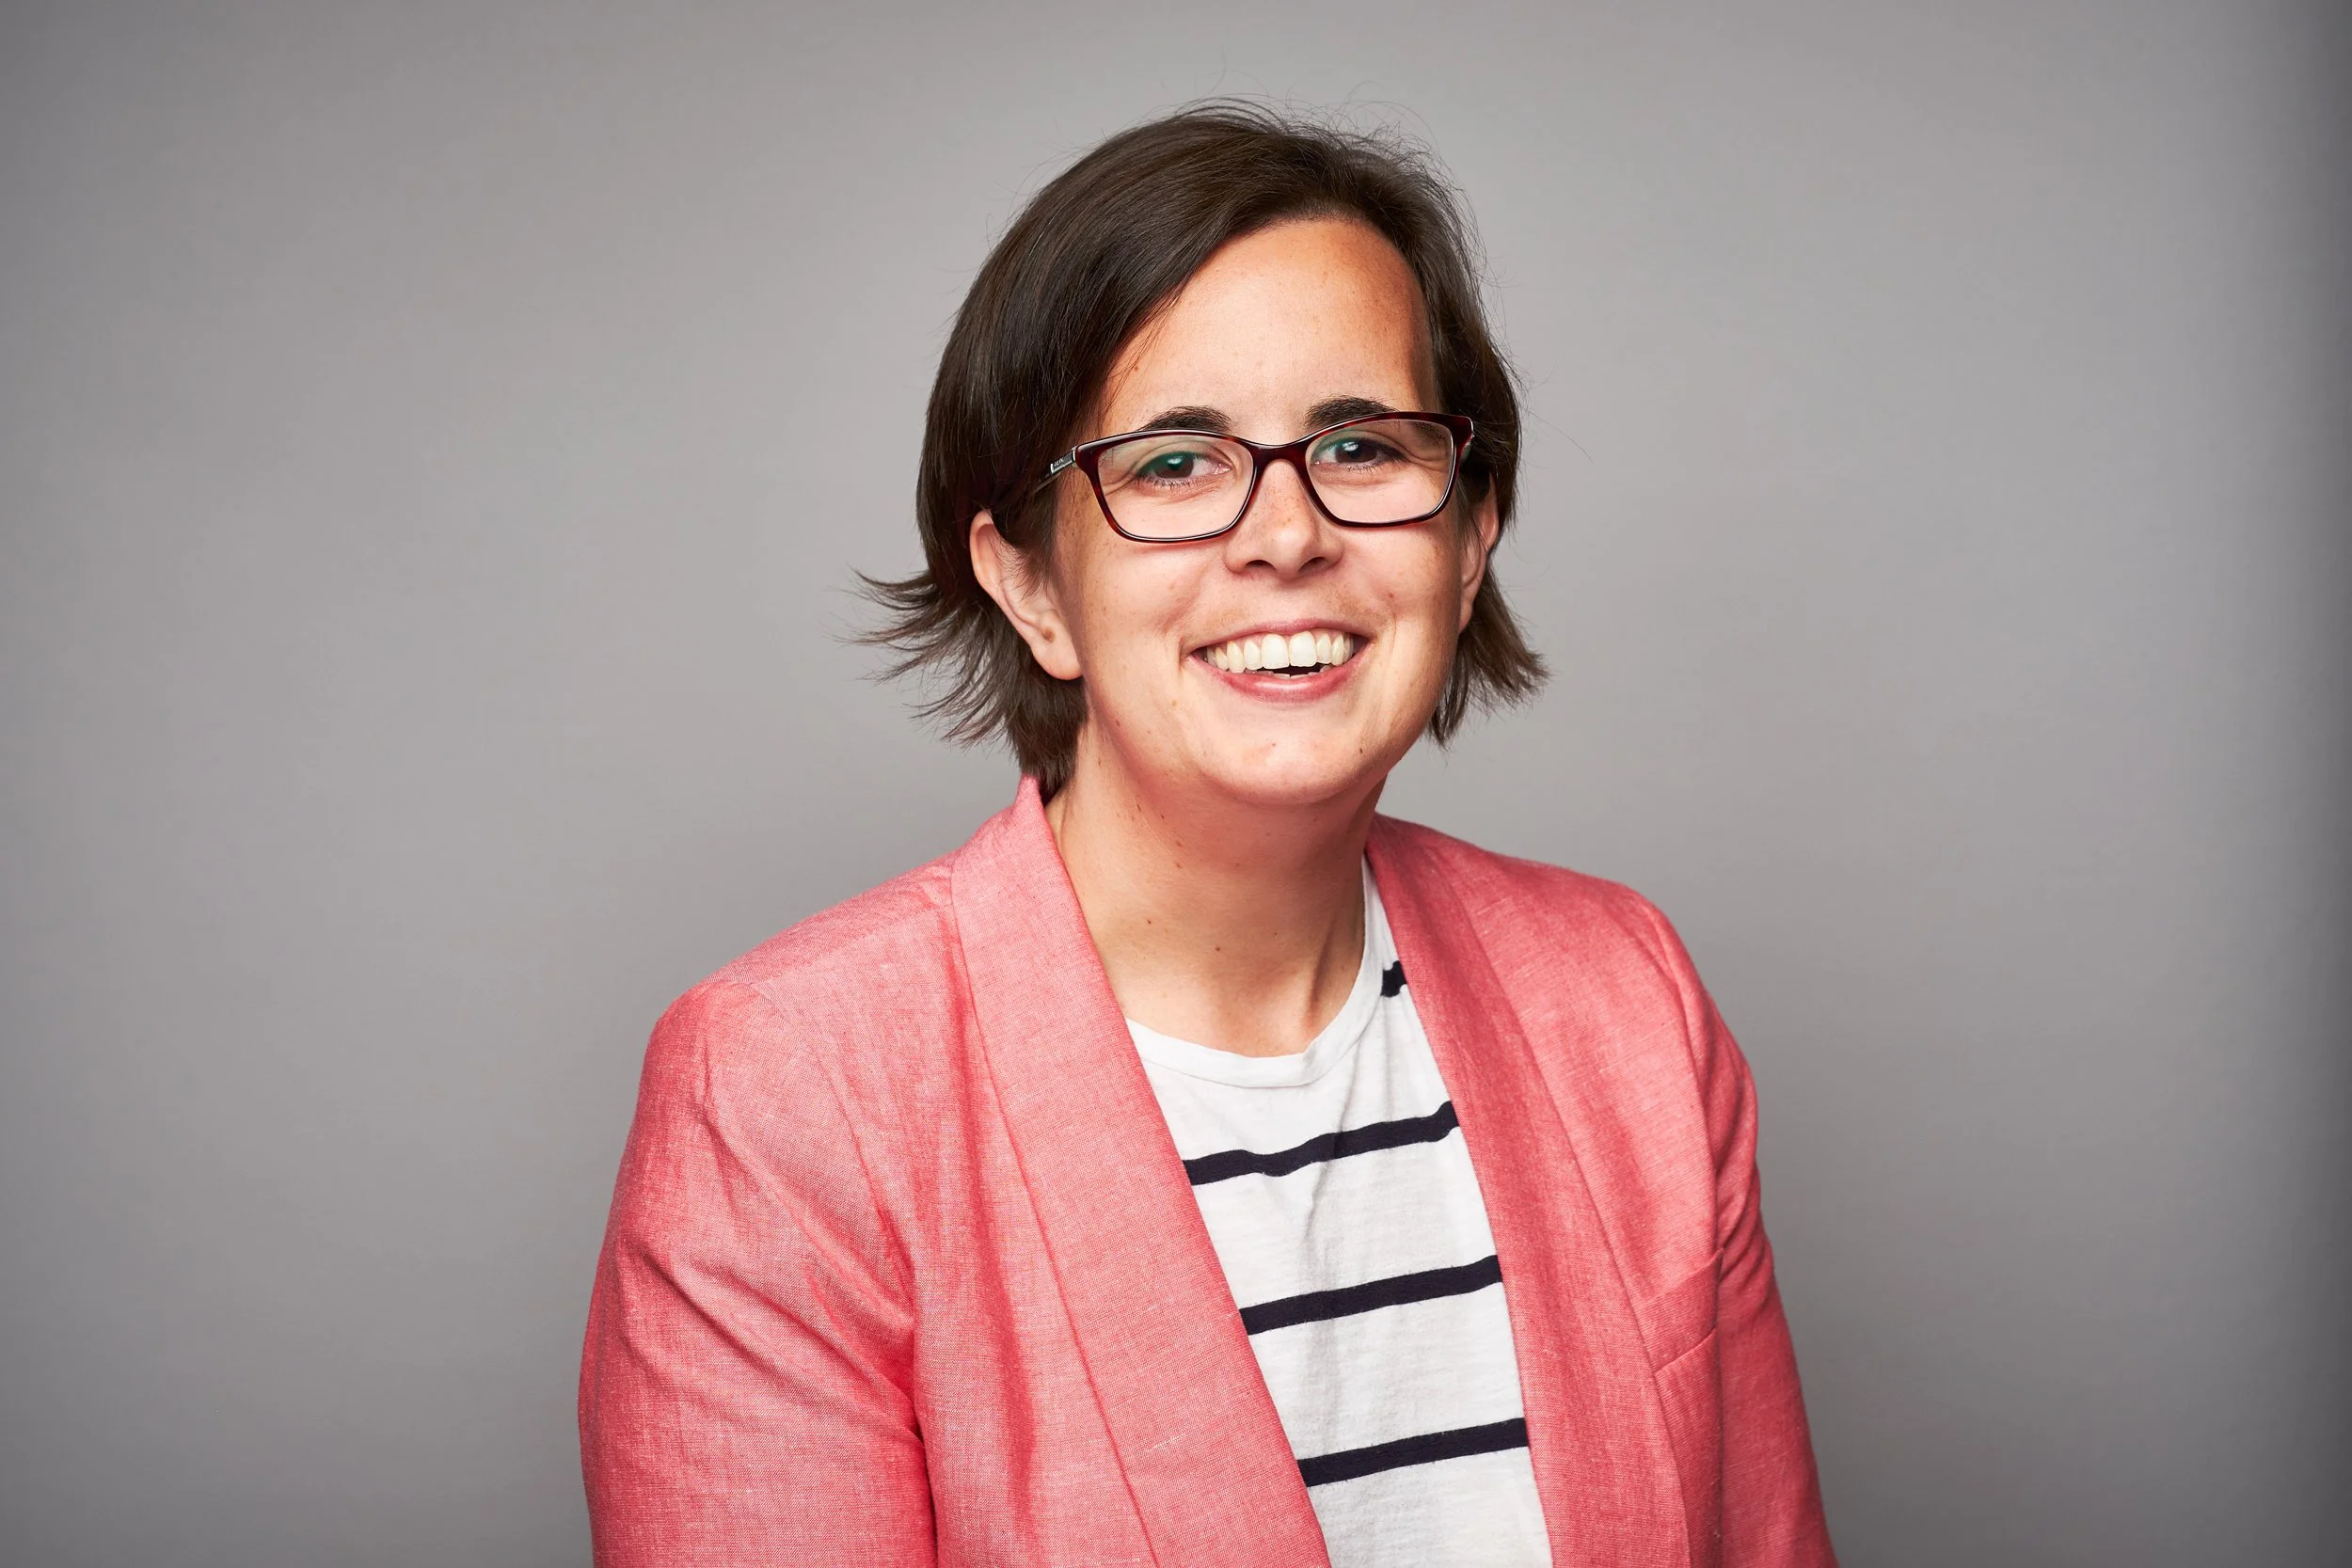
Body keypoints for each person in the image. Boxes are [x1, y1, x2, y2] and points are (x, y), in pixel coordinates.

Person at [579, 103, 1836, 1568]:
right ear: (1032, 584)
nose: (1285, 534)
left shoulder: (1625, 995)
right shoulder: (791, 1092)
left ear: (1471, 530)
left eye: (1359, 444)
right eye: (1174, 464)